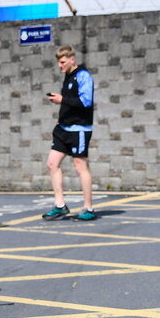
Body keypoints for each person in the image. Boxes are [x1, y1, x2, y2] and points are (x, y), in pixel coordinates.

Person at [42, 45, 97, 222]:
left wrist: (62, 99)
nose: (60, 66)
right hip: (63, 129)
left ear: (72, 59)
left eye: (63, 62)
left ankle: (88, 208)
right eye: (59, 62)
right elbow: (69, 102)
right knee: (52, 163)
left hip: (79, 130)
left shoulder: (83, 75)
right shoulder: (68, 76)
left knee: (80, 167)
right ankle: (60, 206)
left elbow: (86, 101)